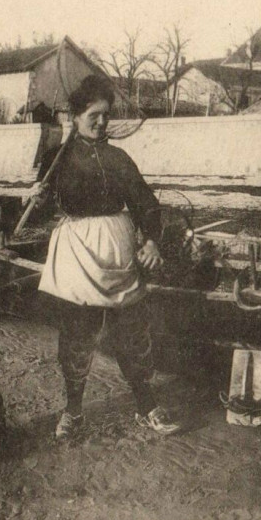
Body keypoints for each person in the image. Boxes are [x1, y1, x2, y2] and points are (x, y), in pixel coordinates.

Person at [32, 74, 180, 439]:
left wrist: (152, 241)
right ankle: (73, 412)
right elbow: (40, 214)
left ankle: (146, 406)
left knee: (133, 334)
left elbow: (147, 206)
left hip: (118, 251)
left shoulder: (119, 159)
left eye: (106, 115)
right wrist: (37, 201)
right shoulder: (56, 159)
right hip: (77, 255)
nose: (101, 122)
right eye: (93, 115)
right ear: (75, 117)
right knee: (77, 337)